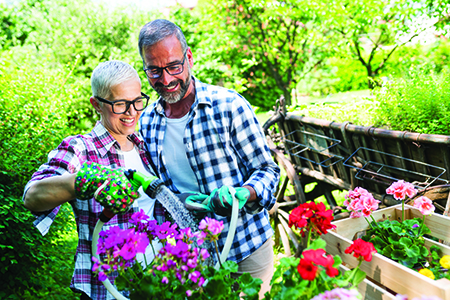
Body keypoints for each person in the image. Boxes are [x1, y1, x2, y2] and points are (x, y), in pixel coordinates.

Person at [137, 19, 280, 298]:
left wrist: (243, 193)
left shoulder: (229, 105)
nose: (165, 80)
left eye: (174, 66)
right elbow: (155, 190)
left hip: (246, 247)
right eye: (154, 71)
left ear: (189, 57)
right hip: (191, 259)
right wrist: (170, 202)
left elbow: (267, 170)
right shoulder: (147, 123)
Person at [23, 61, 162, 300]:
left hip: (157, 282)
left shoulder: (146, 146)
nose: (132, 112)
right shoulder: (81, 149)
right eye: (120, 104)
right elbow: (32, 196)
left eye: (138, 101)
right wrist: (82, 181)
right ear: (96, 104)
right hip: (107, 289)